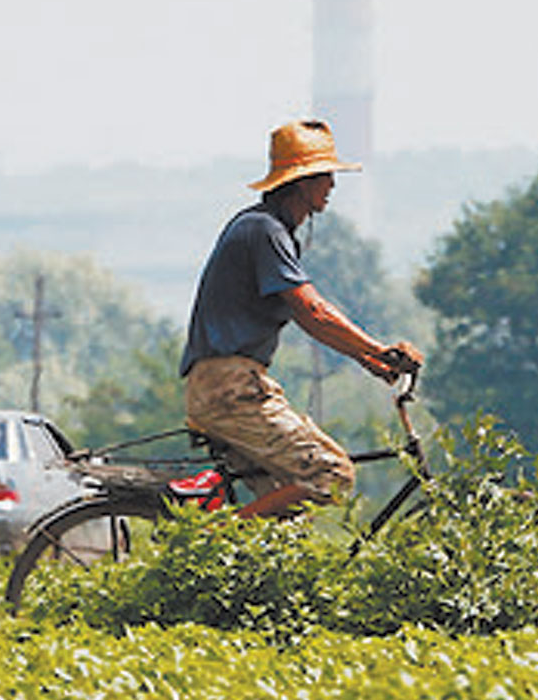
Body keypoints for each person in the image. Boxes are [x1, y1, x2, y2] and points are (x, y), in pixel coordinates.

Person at [179, 119, 423, 518]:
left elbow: (310, 320)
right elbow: (313, 311)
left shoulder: (266, 230)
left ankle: (229, 561)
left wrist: (369, 361)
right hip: (230, 389)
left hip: (227, 384)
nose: (331, 185)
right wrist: (381, 350)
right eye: (324, 175)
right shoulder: (264, 231)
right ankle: (208, 540)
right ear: (301, 181)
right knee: (332, 473)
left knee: (286, 522)